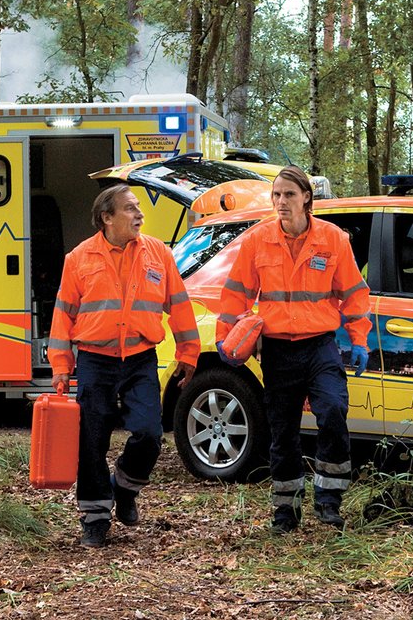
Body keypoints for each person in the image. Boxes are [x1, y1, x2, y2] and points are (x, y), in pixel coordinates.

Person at [216, 165, 371, 534]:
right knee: (282, 430)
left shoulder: (333, 239)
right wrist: (226, 338)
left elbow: (354, 293)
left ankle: (329, 500)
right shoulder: (258, 241)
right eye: (276, 195)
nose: (281, 202)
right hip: (278, 350)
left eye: (288, 194)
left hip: (320, 346)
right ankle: (285, 509)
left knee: (333, 410)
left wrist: (360, 339)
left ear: (306, 198)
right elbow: (236, 293)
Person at [48, 183, 200, 548]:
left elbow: (178, 303)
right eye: (131, 208)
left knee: (149, 433)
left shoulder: (157, 253)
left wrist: (189, 351)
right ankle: (95, 518)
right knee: (91, 441)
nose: (139, 214)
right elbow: (63, 315)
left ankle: (126, 488)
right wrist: (60, 364)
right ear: (107, 217)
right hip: (95, 361)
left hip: (140, 358)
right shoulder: (78, 259)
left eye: (138, 208)